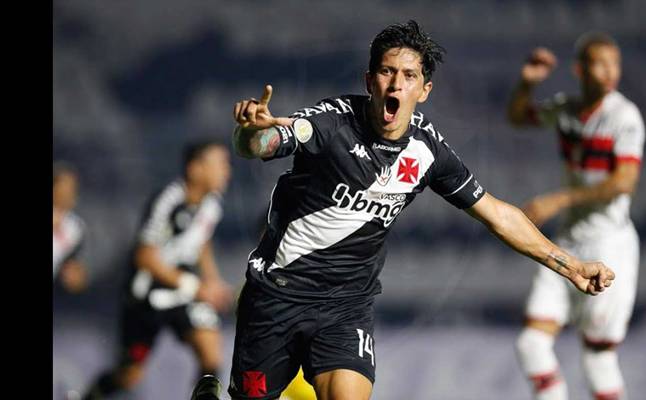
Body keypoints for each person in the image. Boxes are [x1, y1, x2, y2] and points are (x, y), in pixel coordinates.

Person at [213, 20, 614, 400]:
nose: (396, 84)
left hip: (345, 307)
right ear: (369, 81)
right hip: (278, 294)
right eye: (387, 72)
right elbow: (261, 145)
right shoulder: (332, 123)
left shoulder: (427, 151)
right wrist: (250, 131)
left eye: (408, 76)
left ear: (424, 90)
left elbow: (498, 215)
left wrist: (571, 266)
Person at [506, 32, 644, 400]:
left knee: (598, 359)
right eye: (600, 63)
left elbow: (625, 182)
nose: (610, 72)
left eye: (614, 63)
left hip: (609, 245)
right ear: (580, 70)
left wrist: (561, 199)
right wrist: (527, 83)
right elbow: (518, 117)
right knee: (531, 344)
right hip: (568, 243)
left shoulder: (624, 116)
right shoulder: (566, 109)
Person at [82, 140, 235, 400]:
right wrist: (197, 287)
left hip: (183, 294)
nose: (226, 170)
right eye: (220, 163)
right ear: (195, 168)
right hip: (147, 295)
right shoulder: (168, 200)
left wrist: (213, 280)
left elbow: (202, 240)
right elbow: (144, 256)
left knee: (210, 353)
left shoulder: (213, 203)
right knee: (129, 374)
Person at [53, 161, 88, 293]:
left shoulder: (76, 227)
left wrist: (75, 275)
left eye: (73, 187)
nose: (70, 193)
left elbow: (71, 267)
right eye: (65, 187)